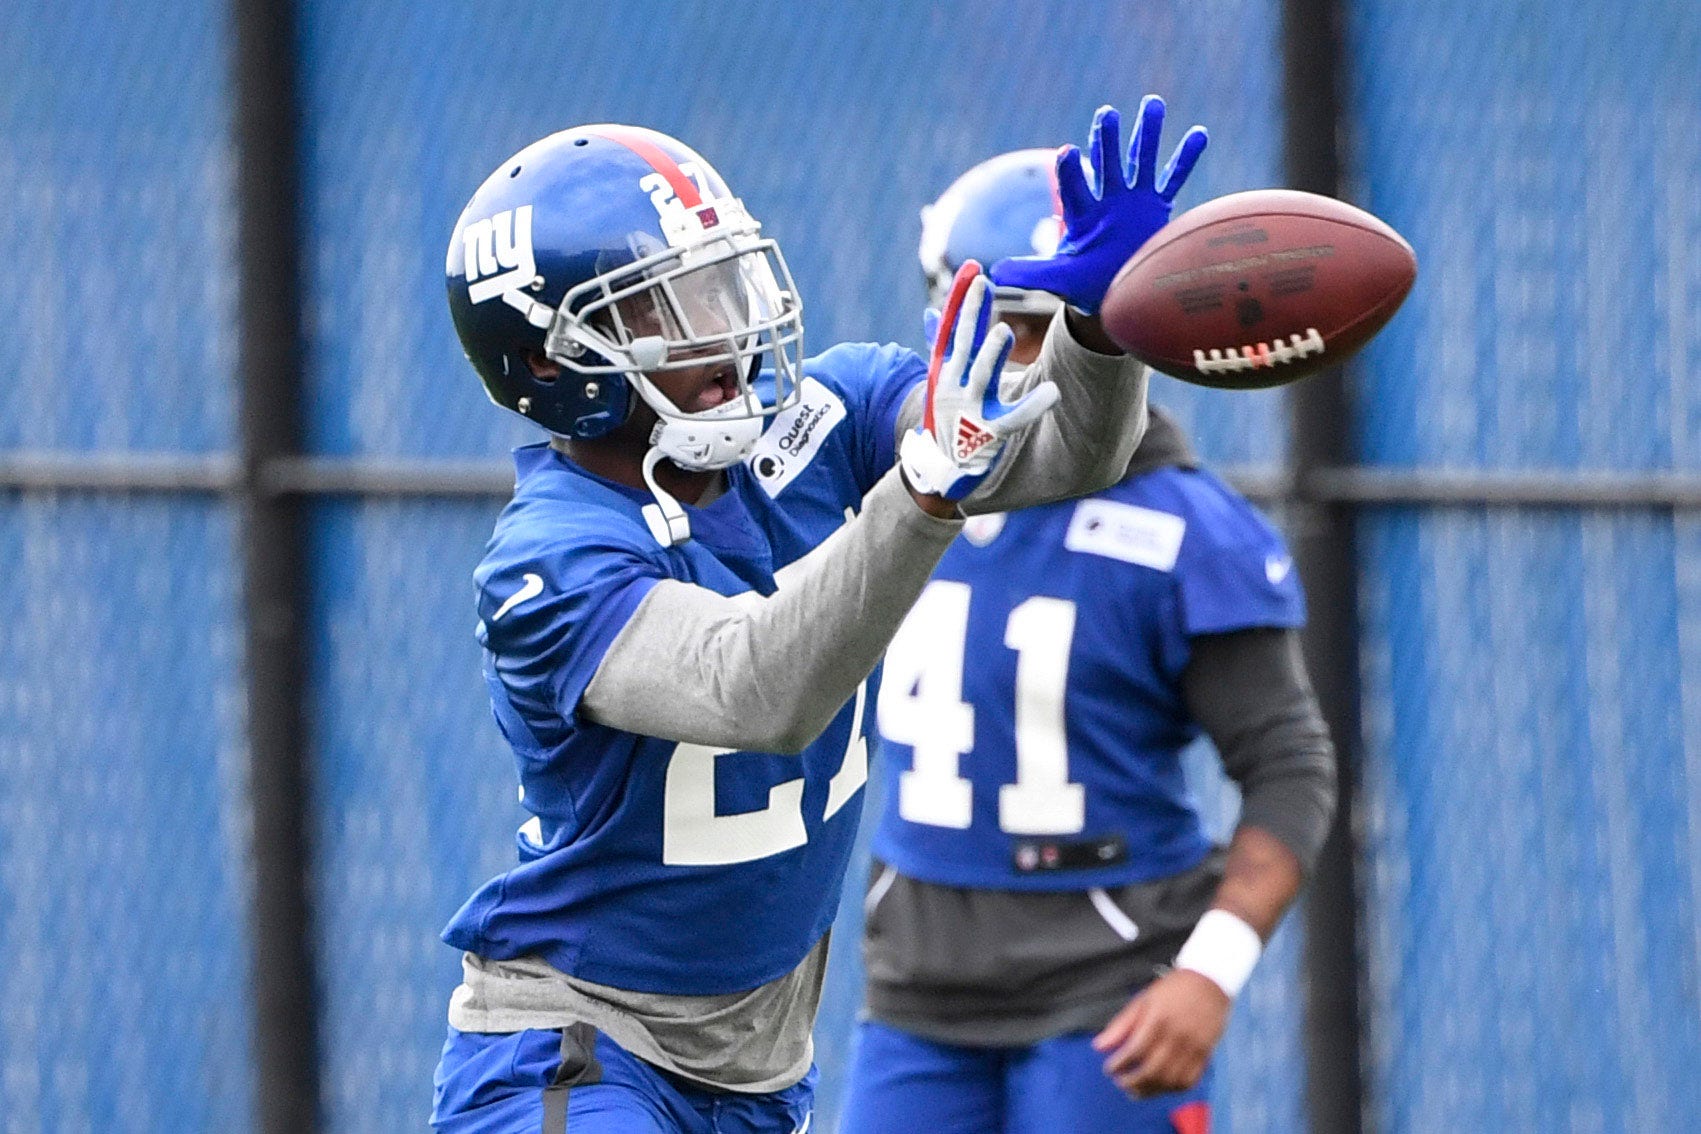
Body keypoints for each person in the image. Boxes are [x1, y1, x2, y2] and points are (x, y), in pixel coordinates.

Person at [430, 100, 1208, 1133]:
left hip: (756, 1072)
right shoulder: (550, 557)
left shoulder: (825, 417)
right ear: (551, 362)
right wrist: (923, 493)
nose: (721, 329)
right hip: (580, 1042)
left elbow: (1071, 453)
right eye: (662, 309)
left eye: (716, 283)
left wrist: (1101, 337)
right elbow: (757, 687)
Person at [838, 137, 1339, 1134]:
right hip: (917, 991)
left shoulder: (1184, 532)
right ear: (947, 315)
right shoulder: (890, 484)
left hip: (1107, 990)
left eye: (1068, 325)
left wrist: (1210, 971)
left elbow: (1290, 766)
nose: (1034, 357)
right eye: (1010, 324)